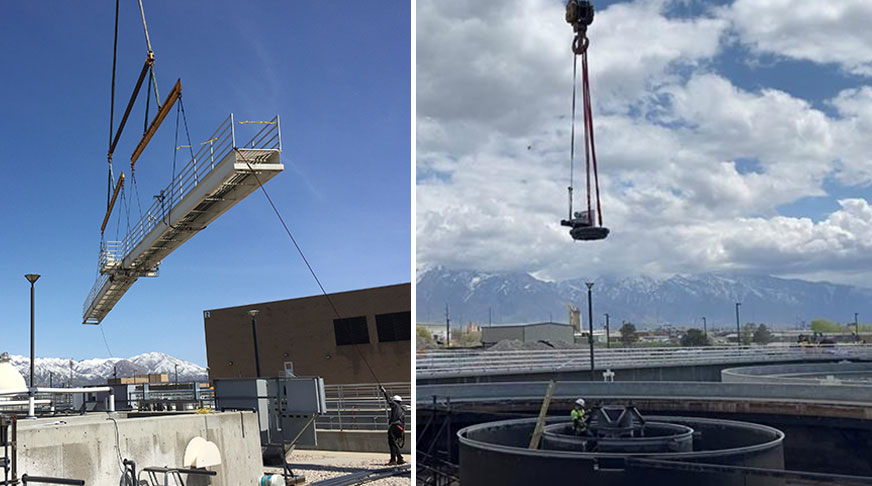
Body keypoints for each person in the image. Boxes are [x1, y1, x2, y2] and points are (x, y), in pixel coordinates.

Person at [381, 386, 406, 465]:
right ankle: (400, 458)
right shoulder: (402, 409)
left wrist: (384, 391)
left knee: (392, 443)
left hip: (394, 426)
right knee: (394, 443)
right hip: (400, 427)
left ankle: (393, 460)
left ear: (395, 401)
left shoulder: (395, 405)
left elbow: (388, 400)